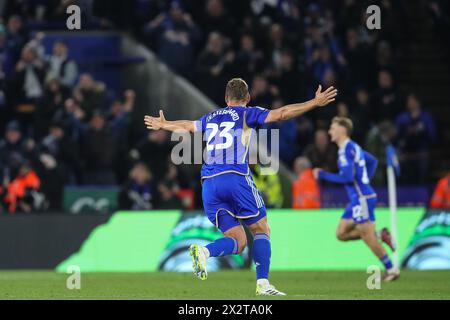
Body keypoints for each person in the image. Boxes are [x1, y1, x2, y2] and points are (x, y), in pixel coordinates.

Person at [145, 77, 337, 296]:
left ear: (226, 98)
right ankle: (263, 284)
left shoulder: (211, 117)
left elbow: (188, 126)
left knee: (238, 241)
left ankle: (204, 252)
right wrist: (313, 102)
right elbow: (282, 113)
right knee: (261, 228)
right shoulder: (248, 112)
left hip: (209, 184)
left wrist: (164, 124)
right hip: (234, 177)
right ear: (247, 97)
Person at [313, 116, 399, 281]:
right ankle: (381, 234)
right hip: (360, 198)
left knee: (367, 237)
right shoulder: (353, 147)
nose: (330, 131)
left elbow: (347, 177)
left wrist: (322, 174)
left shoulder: (346, 150)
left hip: (362, 199)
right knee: (341, 233)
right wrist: (365, 180)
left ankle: (391, 269)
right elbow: (372, 162)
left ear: (342, 130)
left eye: (333, 127)